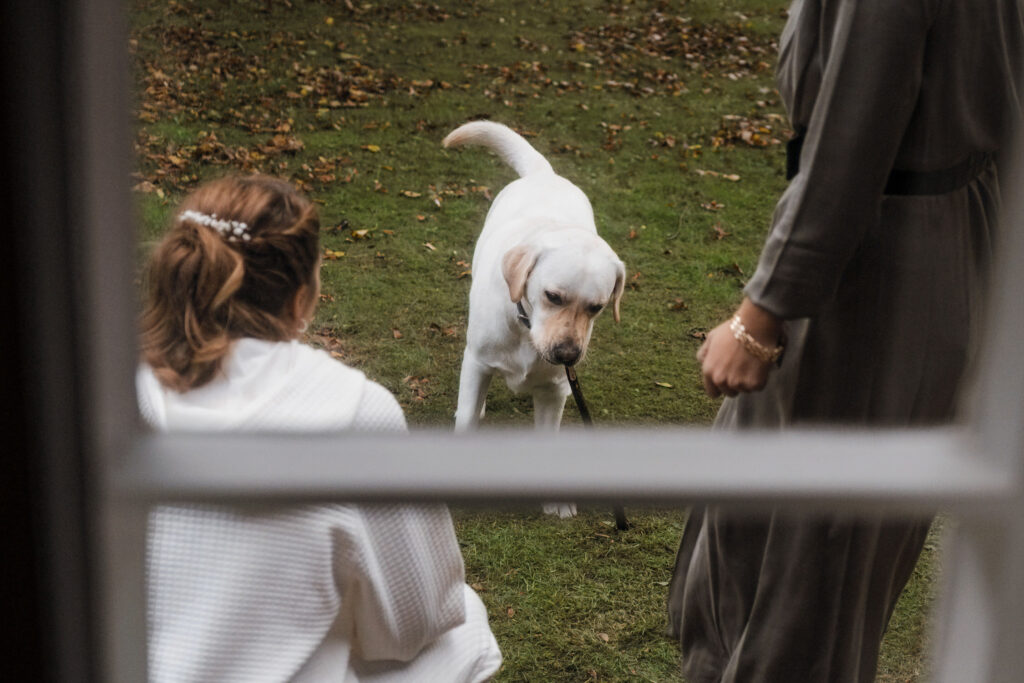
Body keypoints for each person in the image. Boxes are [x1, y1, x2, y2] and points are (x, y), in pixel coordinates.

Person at [667, 1, 1023, 682]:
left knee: (810, 579)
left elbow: (850, 144)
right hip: (923, 243)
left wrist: (762, 313)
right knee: (777, 547)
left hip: (880, 273)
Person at [137, 175, 502, 682]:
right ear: (301, 298)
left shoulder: (96, 392)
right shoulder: (353, 411)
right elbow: (418, 620)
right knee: (464, 628)